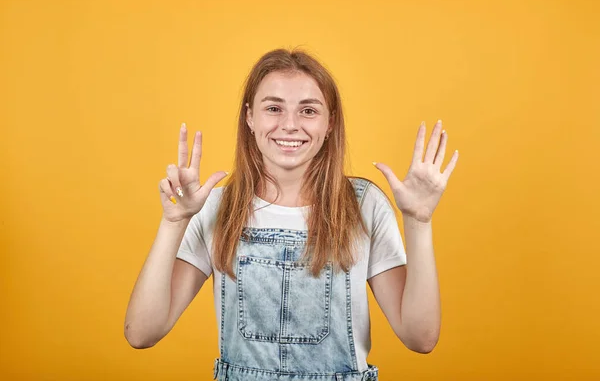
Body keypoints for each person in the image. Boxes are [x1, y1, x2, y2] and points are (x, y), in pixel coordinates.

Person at [124, 48, 459, 381]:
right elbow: (141, 333)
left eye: (308, 110)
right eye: (273, 108)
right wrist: (173, 222)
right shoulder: (214, 208)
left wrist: (419, 220)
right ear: (250, 118)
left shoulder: (364, 206)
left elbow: (420, 338)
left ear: (330, 123)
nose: (290, 125)